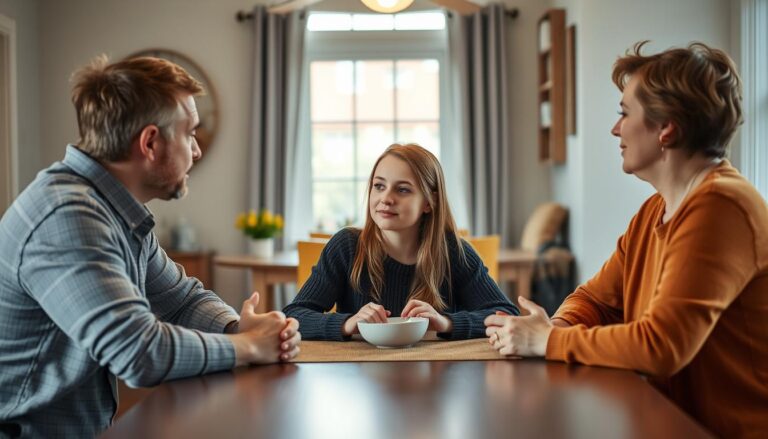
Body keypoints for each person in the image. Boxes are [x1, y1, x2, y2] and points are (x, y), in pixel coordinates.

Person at [0, 55, 301, 438]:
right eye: (190, 133)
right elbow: (139, 353)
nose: (197, 151)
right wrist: (249, 346)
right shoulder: (67, 217)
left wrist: (235, 326)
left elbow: (181, 300)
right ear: (150, 143)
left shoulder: (113, 209)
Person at [484, 41, 768, 438]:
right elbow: (595, 299)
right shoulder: (656, 209)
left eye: (624, 113)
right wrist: (551, 326)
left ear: (666, 128)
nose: (615, 128)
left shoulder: (721, 206)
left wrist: (548, 339)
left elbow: (661, 346)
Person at [285, 143, 518, 340]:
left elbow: (506, 316)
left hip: (437, 373)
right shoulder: (345, 247)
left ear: (429, 202)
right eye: (379, 186)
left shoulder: (454, 252)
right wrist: (348, 323)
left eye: (403, 190)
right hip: (359, 374)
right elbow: (293, 316)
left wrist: (446, 322)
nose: (386, 198)